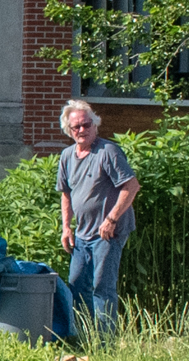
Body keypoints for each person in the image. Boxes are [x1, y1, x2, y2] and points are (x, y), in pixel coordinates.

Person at [55, 99, 137, 337]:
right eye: (76, 127)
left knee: (102, 287)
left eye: (86, 124)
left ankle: (105, 344)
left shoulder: (108, 152)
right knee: (76, 284)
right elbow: (66, 193)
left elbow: (131, 187)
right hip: (81, 234)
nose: (82, 130)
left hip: (108, 233)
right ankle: (82, 338)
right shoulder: (67, 156)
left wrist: (111, 219)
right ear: (69, 131)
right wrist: (66, 228)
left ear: (95, 125)